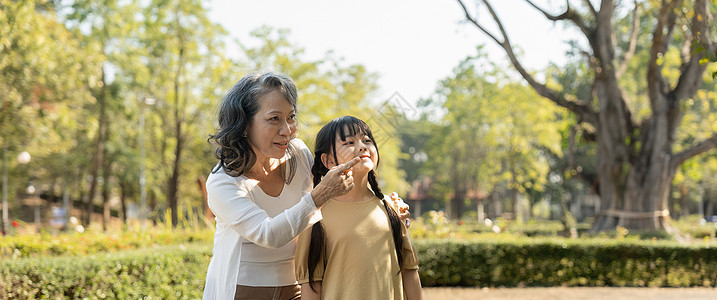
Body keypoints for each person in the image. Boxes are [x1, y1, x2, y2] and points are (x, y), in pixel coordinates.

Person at [203, 72, 361, 300]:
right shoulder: (223, 181)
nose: (287, 129)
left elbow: (335, 202)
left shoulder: (298, 153)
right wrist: (321, 194)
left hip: (299, 288)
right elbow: (269, 235)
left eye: (291, 117)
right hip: (242, 291)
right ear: (244, 124)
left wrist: (386, 213)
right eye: (274, 119)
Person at [294, 116, 423, 300]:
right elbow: (311, 285)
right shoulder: (314, 215)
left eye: (367, 140)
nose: (362, 146)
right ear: (328, 161)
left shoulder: (392, 208)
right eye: (349, 142)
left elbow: (409, 272)